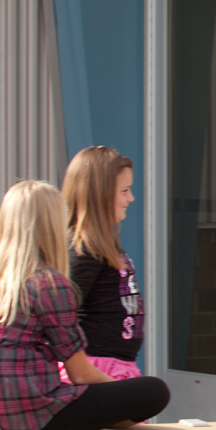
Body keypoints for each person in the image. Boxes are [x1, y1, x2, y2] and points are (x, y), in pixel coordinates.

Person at [0, 180, 171, 430]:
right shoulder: (46, 282)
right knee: (153, 392)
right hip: (34, 415)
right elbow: (80, 375)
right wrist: (122, 401)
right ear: (53, 225)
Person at [61, 146, 144, 383]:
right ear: (100, 194)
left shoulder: (100, 243)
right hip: (94, 368)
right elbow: (60, 314)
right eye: (125, 191)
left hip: (112, 365)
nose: (131, 198)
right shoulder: (83, 247)